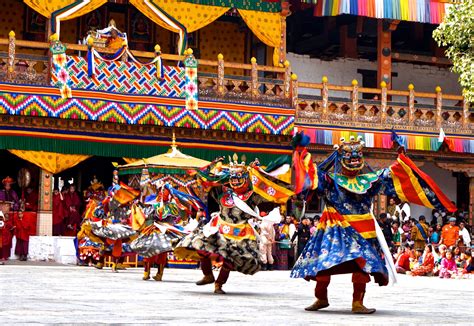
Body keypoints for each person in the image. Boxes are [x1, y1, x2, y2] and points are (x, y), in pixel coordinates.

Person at [290, 132, 456, 314]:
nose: (354, 160)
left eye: (357, 156)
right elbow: (310, 178)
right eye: (349, 157)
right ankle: (321, 298)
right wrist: (300, 153)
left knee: (363, 265)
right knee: (324, 264)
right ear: (340, 157)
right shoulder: (330, 180)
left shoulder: (370, 180)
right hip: (335, 228)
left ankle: (357, 302)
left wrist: (401, 156)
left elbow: (394, 175)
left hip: (363, 230)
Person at [175, 156, 287, 294]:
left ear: (245, 179)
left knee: (230, 259)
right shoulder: (223, 193)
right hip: (220, 228)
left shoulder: (252, 196)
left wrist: (260, 174)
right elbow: (207, 182)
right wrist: (214, 165)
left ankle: (219, 284)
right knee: (201, 247)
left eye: (238, 179)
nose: (234, 181)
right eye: (232, 179)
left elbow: (272, 192)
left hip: (240, 233)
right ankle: (208, 275)